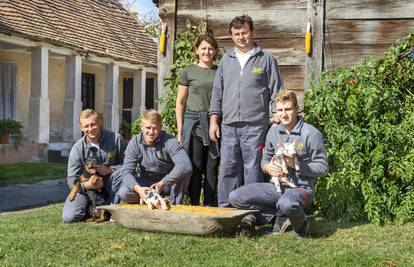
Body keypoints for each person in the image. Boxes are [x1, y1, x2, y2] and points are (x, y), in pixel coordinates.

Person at [229, 91, 329, 238]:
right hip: (275, 187)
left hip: (301, 188)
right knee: (235, 197)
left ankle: (301, 225)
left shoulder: (311, 134)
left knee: (287, 203)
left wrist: (296, 165)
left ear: (296, 109)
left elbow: (323, 168)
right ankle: (280, 216)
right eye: (280, 110)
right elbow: (264, 161)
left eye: (288, 109)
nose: (284, 114)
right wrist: (268, 168)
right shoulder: (273, 132)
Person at [209, 15, 284, 207]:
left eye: (244, 33)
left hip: (256, 125)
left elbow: (276, 90)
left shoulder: (265, 59)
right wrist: (213, 121)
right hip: (229, 125)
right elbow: (217, 92)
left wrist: (277, 116)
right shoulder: (227, 59)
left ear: (252, 32)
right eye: (236, 34)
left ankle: (251, 211)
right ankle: (225, 208)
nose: (241, 37)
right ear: (232, 36)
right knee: (227, 168)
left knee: (252, 169)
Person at [176, 34, 220, 206]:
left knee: (211, 167)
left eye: (210, 48)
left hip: (214, 124)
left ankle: (209, 203)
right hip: (193, 125)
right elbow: (180, 103)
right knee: (195, 166)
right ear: (197, 51)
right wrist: (180, 131)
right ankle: (194, 203)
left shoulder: (220, 71)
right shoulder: (188, 72)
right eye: (203, 48)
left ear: (215, 51)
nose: (207, 52)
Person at [62, 109, 128, 223]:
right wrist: (88, 185)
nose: (90, 129)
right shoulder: (77, 149)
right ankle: (91, 208)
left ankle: (111, 210)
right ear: (81, 127)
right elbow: (71, 180)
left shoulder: (116, 139)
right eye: (86, 126)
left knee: (122, 173)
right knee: (69, 218)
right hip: (87, 190)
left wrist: (110, 169)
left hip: (110, 185)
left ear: (100, 123)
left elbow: (128, 165)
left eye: (93, 125)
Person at [118, 109, 192, 204]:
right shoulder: (134, 143)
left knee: (182, 175)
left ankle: (173, 205)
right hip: (146, 182)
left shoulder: (170, 141)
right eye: (148, 128)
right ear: (141, 127)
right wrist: (139, 189)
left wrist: (163, 182)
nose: (151, 132)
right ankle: (148, 200)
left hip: (168, 183)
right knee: (123, 192)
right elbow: (126, 172)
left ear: (161, 127)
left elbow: (186, 165)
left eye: (155, 128)